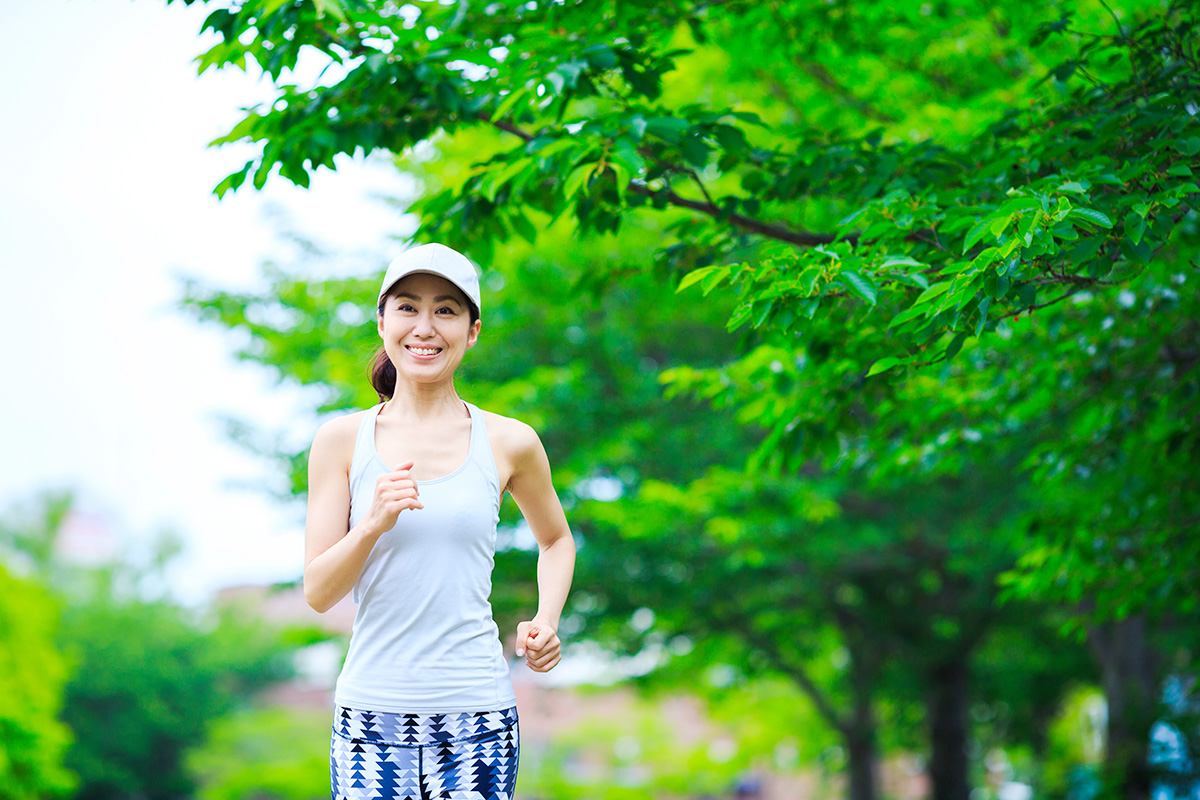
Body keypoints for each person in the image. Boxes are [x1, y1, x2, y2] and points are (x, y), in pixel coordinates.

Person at [303, 243, 576, 800]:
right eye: (407, 307)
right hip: (370, 722)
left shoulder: (509, 441)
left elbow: (556, 540)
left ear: (472, 331)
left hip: (478, 718)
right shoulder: (339, 441)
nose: (424, 327)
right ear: (382, 322)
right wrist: (371, 524)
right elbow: (318, 591)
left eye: (446, 310)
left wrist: (546, 620)